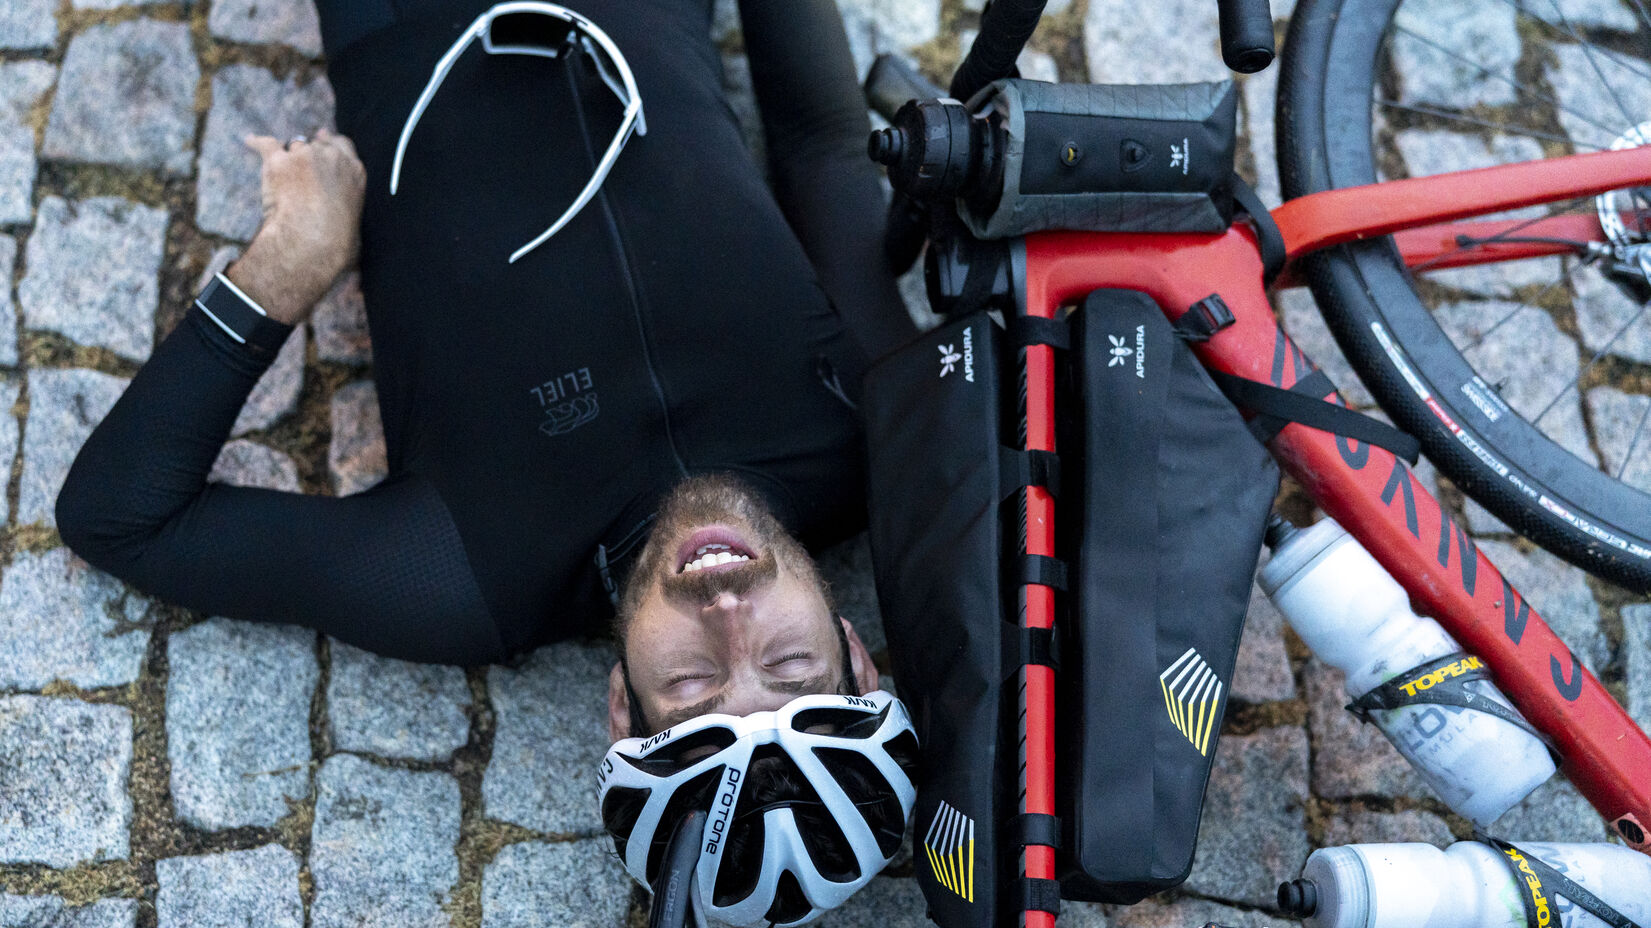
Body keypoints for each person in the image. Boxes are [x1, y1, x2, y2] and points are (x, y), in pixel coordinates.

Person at [57, 0, 912, 713]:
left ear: (624, 703)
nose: (727, 616)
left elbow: (122, 519)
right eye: (790, 667)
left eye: (692, 681)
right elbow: (821, 145)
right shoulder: (867, 419)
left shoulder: (461, 577)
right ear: (853, 651)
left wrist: (290, 265)